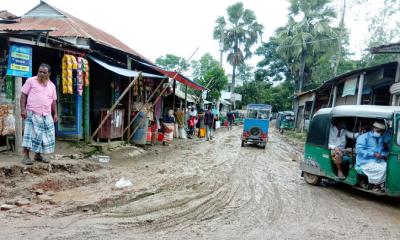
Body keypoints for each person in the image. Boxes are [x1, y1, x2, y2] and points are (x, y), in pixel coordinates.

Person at [20, 63, 58, 165]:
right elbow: (23, 94)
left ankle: (38, 155)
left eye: (44, 72)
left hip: (46, 114)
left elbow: (54, 101)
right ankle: (26, 157)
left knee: (43, 136)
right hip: (32, 113)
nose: (41, 74)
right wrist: (23, 109)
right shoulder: (30, 81)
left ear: (49, 74)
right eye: (39, 71)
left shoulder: (52, 86)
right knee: (29, 135)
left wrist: (55, 114)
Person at [356, 122, 388, 188]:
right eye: (378, 131)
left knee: (389, 168)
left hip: (377, 160)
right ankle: (376, 186)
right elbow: (359, 150)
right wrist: (373, 154)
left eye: (381, 132)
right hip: (365, 161)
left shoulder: (380, 138)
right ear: (373, 128)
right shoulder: (363, 137)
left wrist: (384, 155)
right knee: (382, 170)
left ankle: (380, 184)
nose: (380, 133)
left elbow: (381, 150)